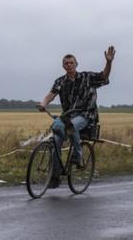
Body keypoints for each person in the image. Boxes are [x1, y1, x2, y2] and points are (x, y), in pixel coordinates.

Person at [36, 46, 115, 188]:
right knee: (56, 140)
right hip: (68, 116)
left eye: (71, 63)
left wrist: (109, 63)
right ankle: (55, 175)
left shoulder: (87, 77)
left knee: (71, 126)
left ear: (76, 64)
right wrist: (43, 103)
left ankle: (78, 157)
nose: (69, 65)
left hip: (86, 115)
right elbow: (51, 94)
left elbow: (104, 77)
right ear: (63, 66)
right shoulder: (60, 81)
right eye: (66, 63)